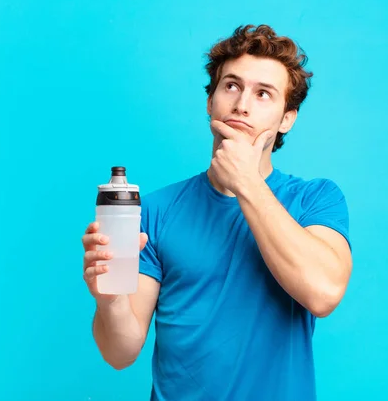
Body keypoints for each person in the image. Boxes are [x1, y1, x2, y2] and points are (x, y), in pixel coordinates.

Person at [81, 24, 353, 401]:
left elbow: (323, 293)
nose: (242, 103)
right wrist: (109, 299)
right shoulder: (156, 210)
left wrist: (246, 183)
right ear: (211, 102)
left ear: (287, 118)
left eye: (263, 94)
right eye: (231, 86)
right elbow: (119, 353)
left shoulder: (315, 200)